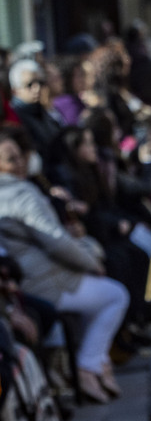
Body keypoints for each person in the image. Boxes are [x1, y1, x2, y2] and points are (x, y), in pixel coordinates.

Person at [0, 128, 128, 404]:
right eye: (10, 159)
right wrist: (91, 262)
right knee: (115, 295)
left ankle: (96, 365)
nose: (19, 163)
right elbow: (56, 241)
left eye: (19, 156)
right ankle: (89, 367)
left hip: (35, 276)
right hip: (42, 281)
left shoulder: (18, 189)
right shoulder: (18, 192)